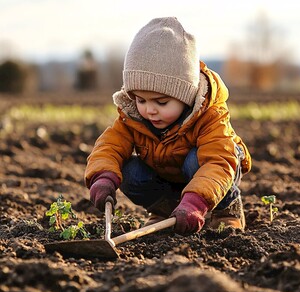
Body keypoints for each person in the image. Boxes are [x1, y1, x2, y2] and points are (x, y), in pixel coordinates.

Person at [84, 17, 252, 235]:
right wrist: (102, 176)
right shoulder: (133, 117)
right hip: (167, 175)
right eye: (141, 100)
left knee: (195, 161)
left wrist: (196, 202)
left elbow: (218, 163)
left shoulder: (210, 116)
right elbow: (109, 146)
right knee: (130, 171)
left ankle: (226, 211)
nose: (149, 110)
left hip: (214, 172)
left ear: (186, 96)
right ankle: (165, 210)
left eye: (161, 102)